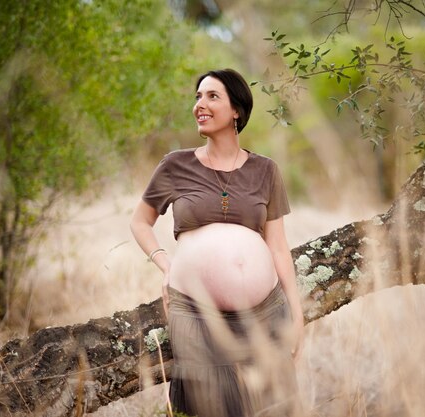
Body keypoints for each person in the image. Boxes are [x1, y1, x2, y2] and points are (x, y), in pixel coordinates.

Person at [130, 68, 304, 417]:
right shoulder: (175, 165)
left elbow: (278, 246)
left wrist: (297, 315)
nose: (200, 104)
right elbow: (140, 221)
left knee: (271, 406)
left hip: (264, 311)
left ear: (236, 111)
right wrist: (166, 264)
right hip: (194, 308)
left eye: (212, 96)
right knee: (203, 405)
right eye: (198, 96)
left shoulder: (265, 170)